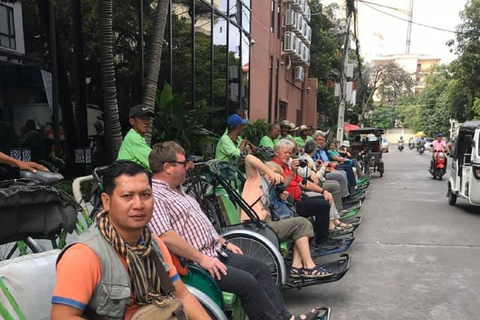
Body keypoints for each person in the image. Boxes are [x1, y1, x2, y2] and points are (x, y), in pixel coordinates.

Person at [148, 141, 320, 320]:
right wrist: (203, 259)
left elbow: (201, 223)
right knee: (248, 283)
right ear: (168, 167)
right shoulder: (156, 196)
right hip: (197, 264)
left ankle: (286, 318)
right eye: (183, 163)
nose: (188, 167)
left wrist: (224, 242)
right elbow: (165, 237)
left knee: (260, 268)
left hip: (216, 251)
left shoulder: (180, 190)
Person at [51, 161, 211, 320]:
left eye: (145, 195)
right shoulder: (84, 254)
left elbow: (182, 295)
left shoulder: (153, 244)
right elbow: (62, 317)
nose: (139, 205)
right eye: (127, 196)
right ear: (106, 202)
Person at [241, 154, 332, 278]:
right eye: (273, 174)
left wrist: (281, 196)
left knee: (299, 222)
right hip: (257, 227)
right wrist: (270, 173)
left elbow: (284, 185)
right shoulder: (254, 179)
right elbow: (249, 158)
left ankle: (297, 266)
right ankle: (309, 266)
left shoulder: (270, 188)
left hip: (266, 225)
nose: (275, 179)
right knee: (301, 223)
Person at [272, 139, 332, 245]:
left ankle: (322, 235)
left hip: (299, 198)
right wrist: (292, 171)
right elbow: (280, 187)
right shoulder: (274, 167)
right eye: (285, 152)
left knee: (324, 199)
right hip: (289, 205)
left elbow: (303, 183)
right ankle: (322, 241)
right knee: (323, 205)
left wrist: (323, 191)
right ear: (276, 152)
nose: (287, 155)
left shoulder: (286, 166)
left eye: (289, 153)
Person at [117, 104, 154, 170]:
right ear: (132, 121)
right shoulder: (133, 138)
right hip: (128, 177)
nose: (146, 122)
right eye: (142, 118)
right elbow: (154, 161)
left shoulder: (136, 136)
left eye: (147, 119)